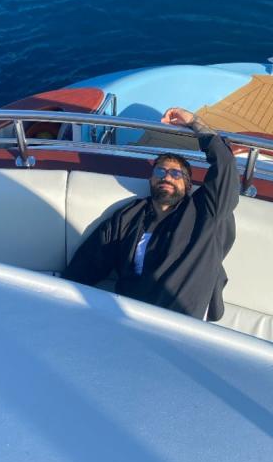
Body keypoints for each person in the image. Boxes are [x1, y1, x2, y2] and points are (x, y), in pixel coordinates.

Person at [63, 107, 239, 321]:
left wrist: (194, 121)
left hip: (184, 326)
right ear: (151, 180)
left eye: (176, 174)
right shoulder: (128, 217)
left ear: (188, 184)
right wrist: (62, 297)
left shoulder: (205, 211)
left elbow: (225, 163)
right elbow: (89, 262)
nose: (167, 177)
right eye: (160, 172)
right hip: (129, 318)